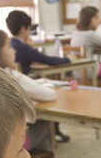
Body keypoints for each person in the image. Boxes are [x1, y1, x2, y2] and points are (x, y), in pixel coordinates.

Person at [0, 28, 55, 151]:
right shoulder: (9, 76)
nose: (14, 51)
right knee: (44, 121)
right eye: (9, 47)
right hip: (7, 147)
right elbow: (50, 95)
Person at [6, 10, 72, 142]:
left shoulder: (11, 44)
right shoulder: (21, 47)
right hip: (23, 88)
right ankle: (54, 133)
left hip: (20, 87)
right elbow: (49, 60)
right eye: (29, 29)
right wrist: (68, 59)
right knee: (51, 95)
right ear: (24, 29)